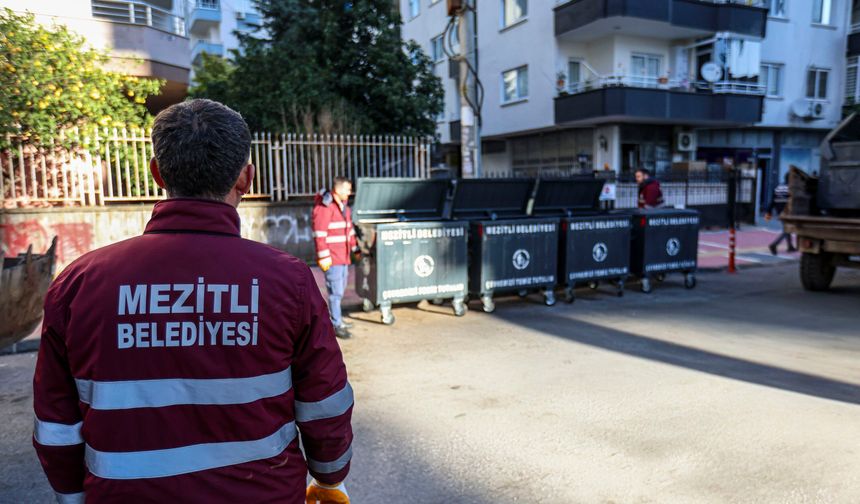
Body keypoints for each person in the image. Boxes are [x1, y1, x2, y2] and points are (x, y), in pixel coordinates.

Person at [32, 99, 353, 504]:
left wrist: (72, 496)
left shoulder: (78, 284)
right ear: (246, 178)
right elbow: (324, 404)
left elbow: (56, 425)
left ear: (156, 173)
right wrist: (329, 477)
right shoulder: (287, 280)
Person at [312, 177, 359, 340]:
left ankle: (338, 319)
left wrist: (356, 249)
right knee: (335, 292)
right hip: (332, 259)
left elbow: (349, 231)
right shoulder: (325, 207)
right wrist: (324, 257)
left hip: (343, 257)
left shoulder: (344, 207)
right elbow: (319, 234)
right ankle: (336, 324)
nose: (350, 192)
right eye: (347, 189)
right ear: (338, 189)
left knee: (340, 290)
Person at [765, 173, 796, 255]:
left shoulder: (778, 187)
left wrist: (769, 212)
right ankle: (774, 244)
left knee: (787, 228)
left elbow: (772, 200)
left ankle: (790, 246)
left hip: (779, 212)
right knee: (787, 230)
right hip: (787, 211)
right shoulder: (790, 188)